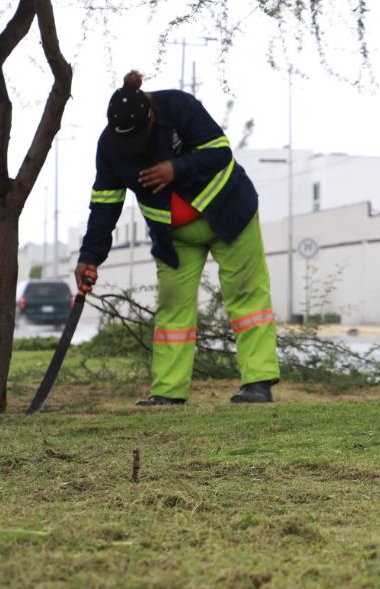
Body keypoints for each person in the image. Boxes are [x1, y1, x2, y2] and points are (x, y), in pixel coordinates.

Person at [76, 70, 281, 406]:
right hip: (175, 238)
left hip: (229, 215)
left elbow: (220, 152)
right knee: (173, 309)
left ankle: (258, 383)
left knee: (247, 297)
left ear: (152, 116)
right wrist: (90, 256)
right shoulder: (110, 146)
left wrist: (176, 168)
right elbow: (104, 204)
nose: (133, 149)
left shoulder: (178, 106)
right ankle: (168, 393)